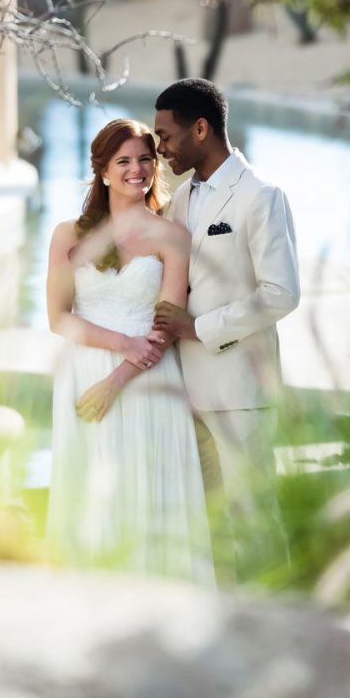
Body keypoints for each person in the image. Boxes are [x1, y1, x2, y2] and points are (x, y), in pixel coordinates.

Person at [44, 117, 215, 586]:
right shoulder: (69, 235)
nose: (136, 169)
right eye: (123, 161)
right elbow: (59, 317)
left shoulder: (171, 237)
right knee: (92, 504)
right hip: (84, 376)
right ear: (102, 171)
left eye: (145, 159)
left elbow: (166, 326)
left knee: (152, 498)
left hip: (148, 380)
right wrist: (121, 345)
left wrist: (116, 378)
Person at [152, 79, 299, 580]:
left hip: (241, 391)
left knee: (255, 521)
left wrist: (200, 327)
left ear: (201, 128)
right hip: (184, 395)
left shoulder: (261, 196)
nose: (161, 149)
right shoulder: (177, 201)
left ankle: (277, 624)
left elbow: (282, 292)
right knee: (208, 525)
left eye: (166, 136)